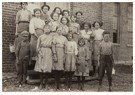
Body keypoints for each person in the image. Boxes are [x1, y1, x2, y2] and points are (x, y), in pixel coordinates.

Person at [34, 25, 53, 90]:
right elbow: (37, 46)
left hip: (48, 52)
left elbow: (53, 45)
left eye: (48, 28)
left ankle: (46, 83)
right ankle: (41, 83)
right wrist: (39, 52)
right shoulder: (41, 37)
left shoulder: (52, 37)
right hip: (41, 52)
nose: (47, 29)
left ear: (50, 29)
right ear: (43, 29)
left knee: (47, 68)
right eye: (45, 28)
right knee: (41, 67)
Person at [52, 26, 68, 91]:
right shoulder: (54, 37)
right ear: (56, 31)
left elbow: (66, 47)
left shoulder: (64, 38)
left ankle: (59, 84)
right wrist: (54, 54)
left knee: (60, 69)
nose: (59, 31)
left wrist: (65, 55)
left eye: (60, 30)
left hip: (62, 53)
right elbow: (53, 46)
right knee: (56, 69)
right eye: (58, 30)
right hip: (56, 52)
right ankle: (56, 84)